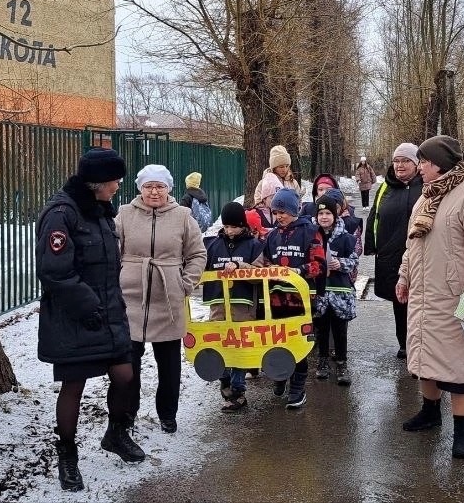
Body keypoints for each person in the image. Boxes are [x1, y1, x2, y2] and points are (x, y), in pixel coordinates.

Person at [36, 147, 145, 492]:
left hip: (108, 313)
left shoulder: (100, 212)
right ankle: (67, 456)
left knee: (125, 374)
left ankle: (115, 433)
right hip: (75, 317)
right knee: (74, 386)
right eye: (115, 180)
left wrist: (108, 307)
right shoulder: (61, 214)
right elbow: (55, 272)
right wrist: (88, 306)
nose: (118, 186)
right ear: (97, 182)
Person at [396, 135, 464, 459]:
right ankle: (430, 412)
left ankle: (462, 430)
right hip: (426, 298)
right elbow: (412, 246)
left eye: (423, 162)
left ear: (438, 164)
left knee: (462, 368)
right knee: (426, 360)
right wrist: (404, 276)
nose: (419, 168)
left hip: (461, 298)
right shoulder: (424, 200)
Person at [116, 164, 208, 435]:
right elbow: (110, 251)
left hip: (168, 297)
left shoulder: (183, 216)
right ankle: (127, 413)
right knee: (128, 363)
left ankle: (168, 414)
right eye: (148, 186)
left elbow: (197, 254)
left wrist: (185, 283)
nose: (154, 192)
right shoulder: (124, 214)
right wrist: (116, 282)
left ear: (169, 188)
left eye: (160, 186)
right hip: (130, 298)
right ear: (139, 188)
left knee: (168, 364)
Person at [252, 187, 324, 408]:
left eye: (283, 211)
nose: (279, 216)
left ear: (294, 211)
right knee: (276, 341)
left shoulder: (311, 232)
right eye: (276, 212)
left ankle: (297, 388)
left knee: (297, 344)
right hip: (275, 300)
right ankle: (280, 377)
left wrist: (299, 271)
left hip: (301, 301)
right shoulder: (271, 236)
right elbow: (263, 263)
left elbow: (318, 265)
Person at [202, 202, 266, 411]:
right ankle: (225, 380)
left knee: (239, 347)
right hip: (218, 303)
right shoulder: (212, 245)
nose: (229, 231)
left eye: (234, 227)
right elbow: (199, 266)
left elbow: (259, 275)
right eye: (227, 226)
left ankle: (238, 391)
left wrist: (240, 267)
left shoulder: (254, 245)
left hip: (242, 304)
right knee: (220, 344)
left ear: (243, 225)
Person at [364, 143, 424, 359]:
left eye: (405, 161)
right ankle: (405, 343)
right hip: (391, 254)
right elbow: (374, 216)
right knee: (400, 300)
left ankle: (423, 342)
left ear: (417, 164)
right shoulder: (385, 188)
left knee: (423, 299)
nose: (400, 165)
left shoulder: (426, 185)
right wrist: (371, 246)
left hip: (421, 255)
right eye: (396, 161)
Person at [312, 193, 359, 386]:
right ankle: (322, 361)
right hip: (320, 291)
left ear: (336, 215)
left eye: (328, 213)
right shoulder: (312, 237)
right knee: (321, 329)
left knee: (340, 330)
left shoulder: (346, 238)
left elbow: (354, 261)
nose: (324, 217)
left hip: (340, 291)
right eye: (321, 213)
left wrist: (340, 264)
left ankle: (341, 362)